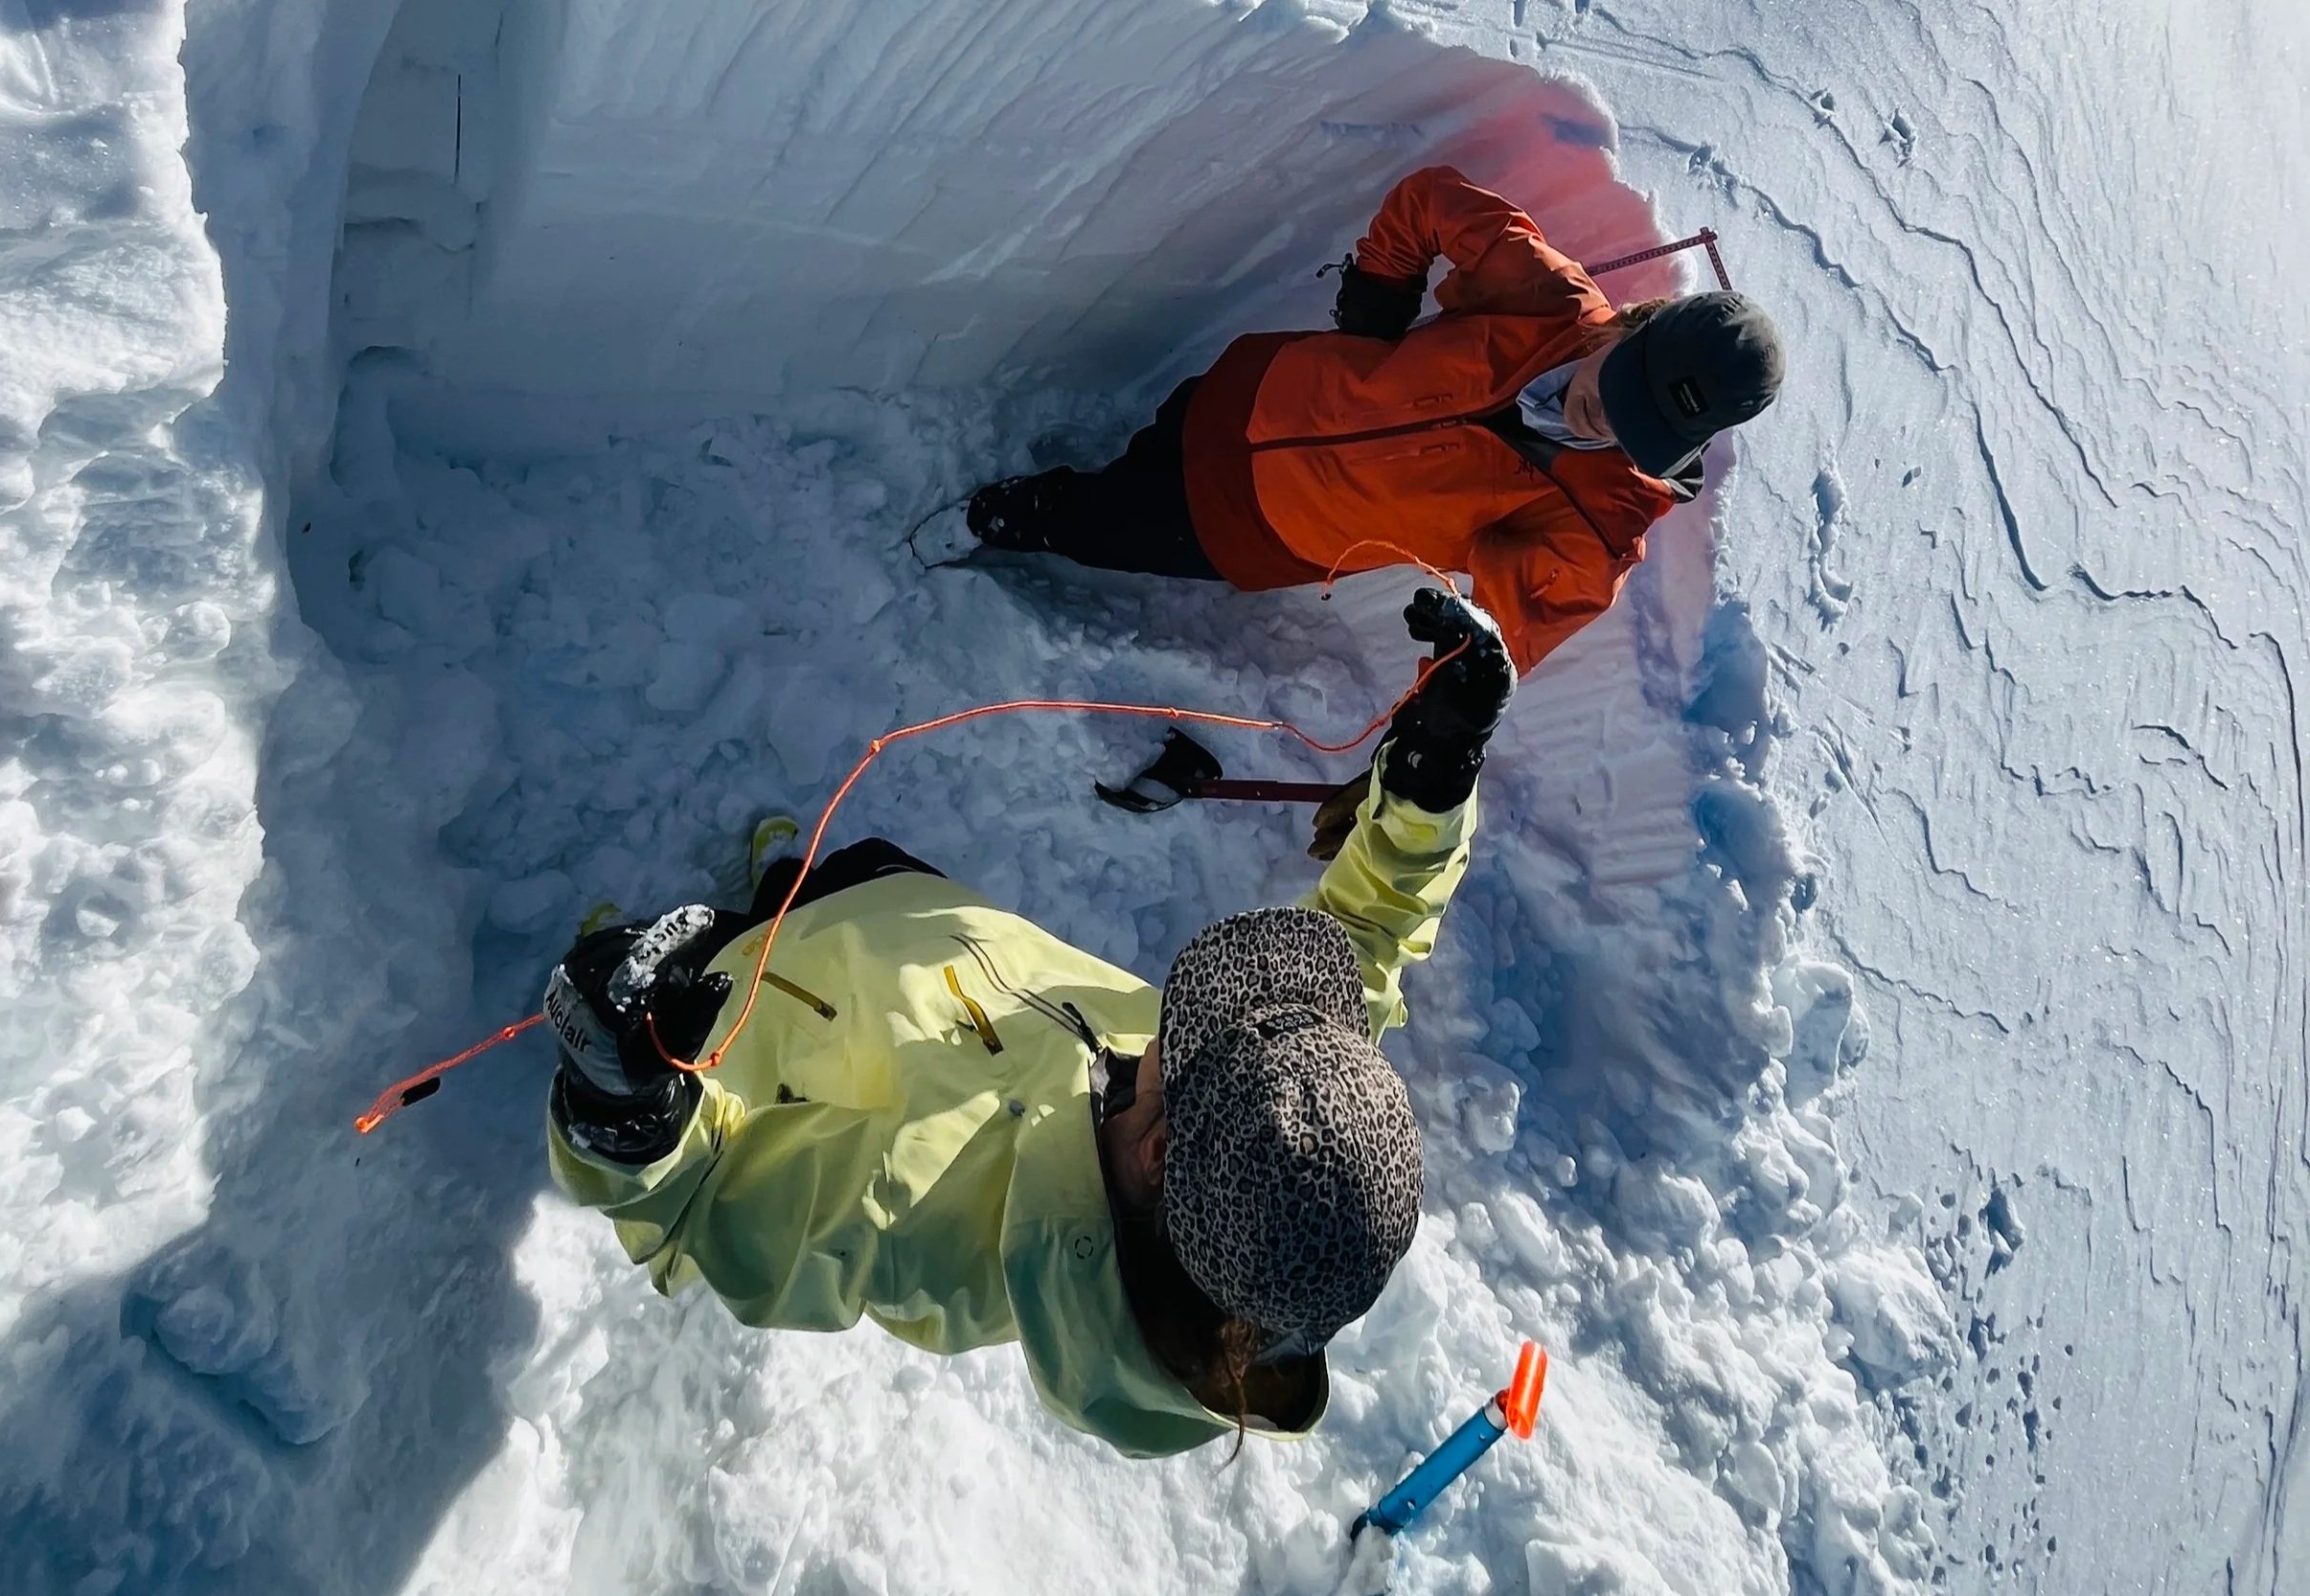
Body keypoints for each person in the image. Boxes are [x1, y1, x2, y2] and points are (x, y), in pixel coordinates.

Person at [544, 589, 1512, 1457]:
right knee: (837, 882)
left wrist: (626, 1101)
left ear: (1162, 1148)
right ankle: (785, 891)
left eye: (1187, 1034)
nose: (1186, 1020)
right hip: (914, 923)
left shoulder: (939, 1226)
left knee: (685, 964)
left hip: (744, 1035)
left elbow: (708, 1211)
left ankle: (678, 960)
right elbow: (1366, 938)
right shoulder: (1289, 1122)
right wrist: (1432, 780)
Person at [914, 165, 1785, 682]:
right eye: (1620, 386)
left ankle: (1022, 514)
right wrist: (1379, 289)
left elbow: (1502, 652)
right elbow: (1434, 199)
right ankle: (1101, 478)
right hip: (1257, 387)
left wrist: (1451, 695)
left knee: (1102, 525)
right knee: (1154, 446)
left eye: (1635, 433)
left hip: (1263, 530)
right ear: (1634, 328)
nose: (1603, 419)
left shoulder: (1599, 524)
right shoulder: (1550, 299)